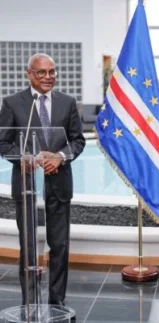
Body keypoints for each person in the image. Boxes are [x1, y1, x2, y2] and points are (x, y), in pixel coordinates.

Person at [0, 53, 86, 308]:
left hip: (59, 186)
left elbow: (78, 140)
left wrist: (61, 156)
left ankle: (57, 301)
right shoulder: (12, 103)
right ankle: (29, 302)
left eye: (52, 72)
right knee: (27, 246)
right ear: (29, 74)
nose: (48, 77)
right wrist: (21, 157)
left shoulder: (68, 102)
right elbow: (3, 142)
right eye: (42, 72)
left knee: (59, 246)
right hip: (26, 186)